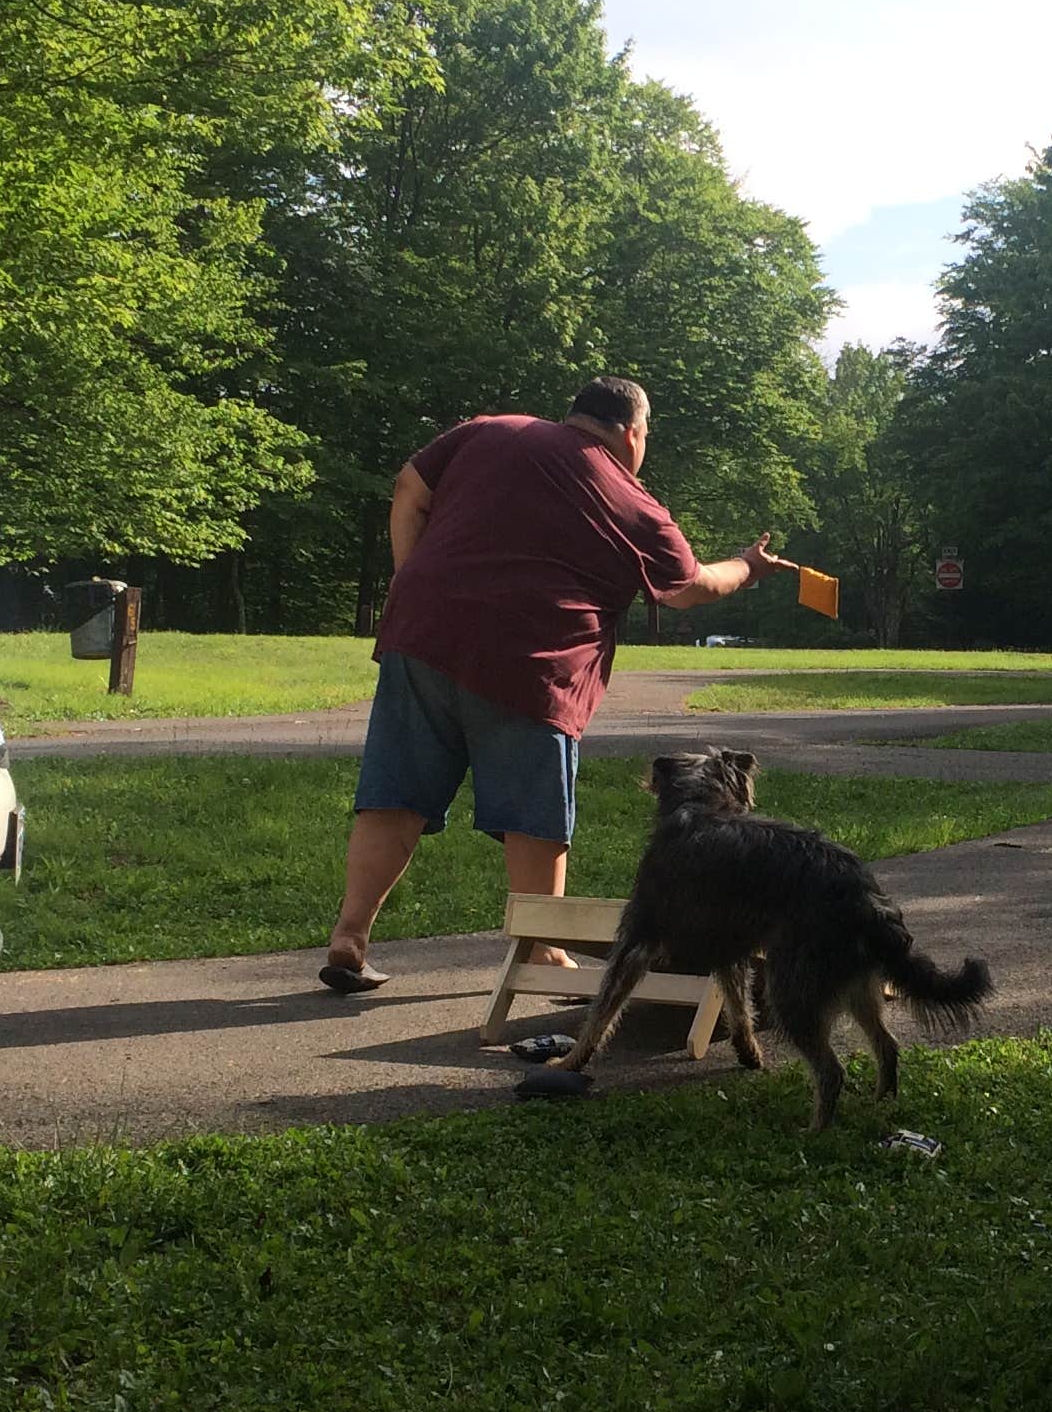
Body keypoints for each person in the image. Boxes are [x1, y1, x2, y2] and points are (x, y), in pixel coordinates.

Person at [322, 377, 792, 992]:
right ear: (631, 432)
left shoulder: (490, 430)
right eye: (646, 436)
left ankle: (349, 936)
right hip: (535, 661)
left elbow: (410, 488)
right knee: (533, 816)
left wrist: (414, 582)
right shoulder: (631, 499)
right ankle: (542, 950)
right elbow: (689, 589)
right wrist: (749, 566)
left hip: (422, 639)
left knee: (395, 798)